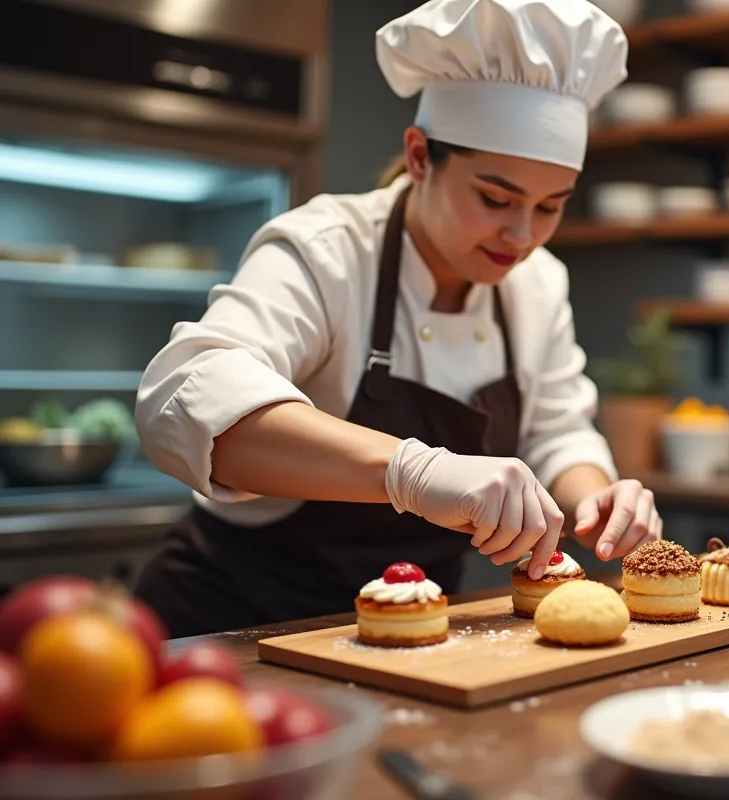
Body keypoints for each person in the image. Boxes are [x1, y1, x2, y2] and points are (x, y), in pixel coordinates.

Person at [132, 0, 662, 638]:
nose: (522, 236)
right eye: (496, 198)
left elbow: (556, 431)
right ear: (419, 157)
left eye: (551, 206)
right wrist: (414, 472)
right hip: (238, 621)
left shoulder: (538, 282)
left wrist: (596, 494)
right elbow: (188, 398)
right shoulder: (326, 248)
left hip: (416, 627)